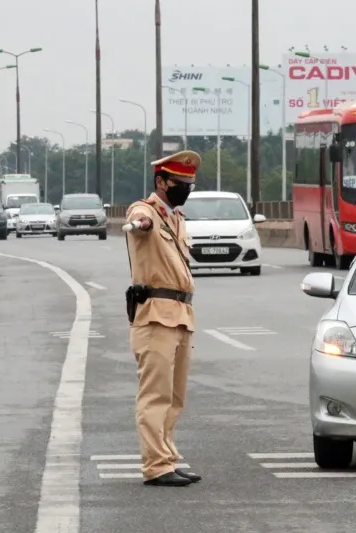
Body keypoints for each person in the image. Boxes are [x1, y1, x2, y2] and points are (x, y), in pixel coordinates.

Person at [125, 150, 202, 487]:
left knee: (175, 396)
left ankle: (167, 458)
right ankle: (155, 466)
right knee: (155, 395)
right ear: (161, 181)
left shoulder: (177, 217)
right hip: (156, 314)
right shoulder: (146, 211)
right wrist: (140, 223)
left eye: (189, 184)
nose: (185, 188)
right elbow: (139, 220)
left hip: (182, 314)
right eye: (179, 183)